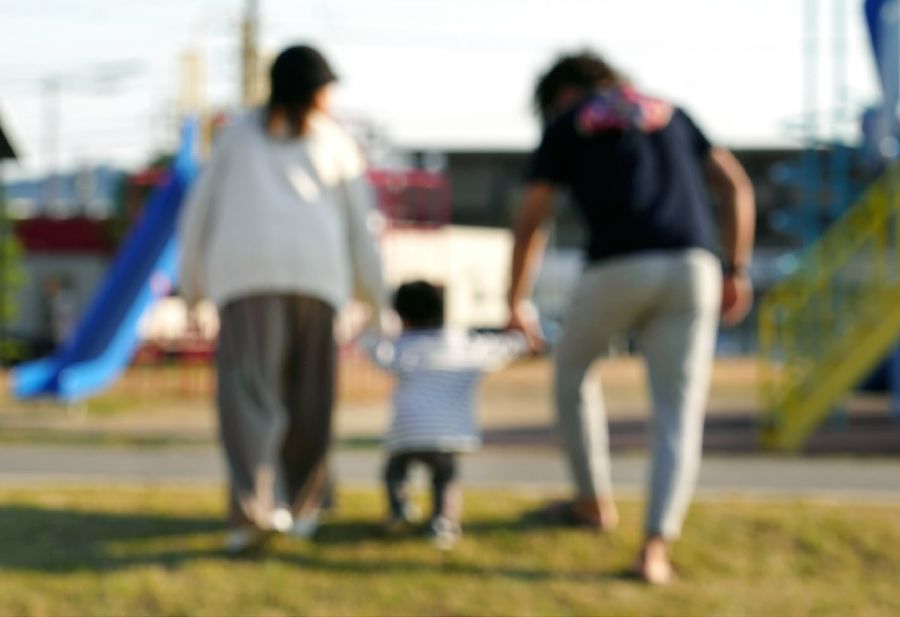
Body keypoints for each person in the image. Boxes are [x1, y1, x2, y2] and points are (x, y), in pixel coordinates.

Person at [506, 52, 755, 584]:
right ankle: (655, 549)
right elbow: (736, 185)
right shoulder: (672, 113)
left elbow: (533, 217)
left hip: (616, 267)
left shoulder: (568, 122)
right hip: (695, 266)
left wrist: (514, 300)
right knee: (677, 410)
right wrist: (736, 268)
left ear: (562, 93)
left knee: (572, 374)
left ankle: (592, 501)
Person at [178, 45, 387, 553]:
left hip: (245, 280)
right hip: (318, 280)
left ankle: (251, 510)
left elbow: (197, 214)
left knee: (249, 399)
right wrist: (378, 298)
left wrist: (193, 291)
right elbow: (362, 225)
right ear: (312, 91)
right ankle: (303, 506)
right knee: (311, 399)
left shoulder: (236, 138)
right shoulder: (334, 142)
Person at [361, 280, 527, 550]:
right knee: (445, 478)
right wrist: (520, 337)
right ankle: (442, 522)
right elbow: (502, 347)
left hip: (407, 430)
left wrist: (366, 330)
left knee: (394, 471)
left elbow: (378, 353)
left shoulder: (403, 345)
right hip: (449, 432)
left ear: (402, 316)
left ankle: (399, 508)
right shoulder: (463, 343)